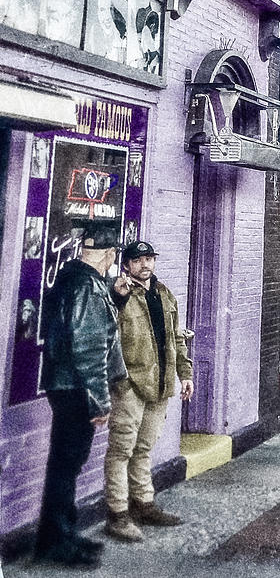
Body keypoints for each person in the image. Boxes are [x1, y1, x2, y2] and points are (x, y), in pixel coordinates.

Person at [35, 222, 126, 568]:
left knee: (65, 465)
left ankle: (60, 535)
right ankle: (56, 543)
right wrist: (99, 400)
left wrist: (113, 296)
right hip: (76, 389)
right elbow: (88, 347)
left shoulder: (76, 279)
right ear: (109, 254)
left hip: (68, 386)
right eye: (114, 255)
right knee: (66, 465)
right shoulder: (87, 286)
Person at [104, 240, 193, 542]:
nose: (145, 265)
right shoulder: (119, 294)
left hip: (161, 384)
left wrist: (185, 373)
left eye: (149, 259)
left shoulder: (165, 294)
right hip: (130, 386)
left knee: (143, 449)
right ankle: (117, 515)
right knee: (121, 451)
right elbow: (106, 334)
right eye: (137, 260)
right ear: (126, 265)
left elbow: (177, 337)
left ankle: (143, 504)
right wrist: (121, 381)